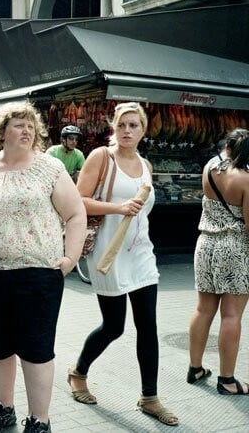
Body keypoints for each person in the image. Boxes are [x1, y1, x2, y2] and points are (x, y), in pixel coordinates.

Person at [0, 102, 86, 433]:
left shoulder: (50, 168)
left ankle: (39, 420)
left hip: (38, 274)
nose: (26, 130)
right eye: (18, 124)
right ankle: (4, 409)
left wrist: (70, 258)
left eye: (31, 125)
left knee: (36, 349)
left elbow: (75, 214)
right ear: (2, 132)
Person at [70, 102, 178, 427]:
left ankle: (150, 397)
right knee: (114, 326)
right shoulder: (101, 157)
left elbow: (143, 210)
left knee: (148, 326)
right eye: (122, 125)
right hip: (108, 254)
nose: (127, 131)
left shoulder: (145, 164)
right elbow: (78, 200)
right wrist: (118, 209)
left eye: (134, 125)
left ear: (143, 130)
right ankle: (78, 373)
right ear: (114, 128)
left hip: (142, 253)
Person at [188, 128, 249, 395]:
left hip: (205, 244)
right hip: (234, 247)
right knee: (232, 314)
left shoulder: (209, 168)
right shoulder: (245, 179)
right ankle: (227, 380)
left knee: (203, 309)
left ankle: (195, 367)